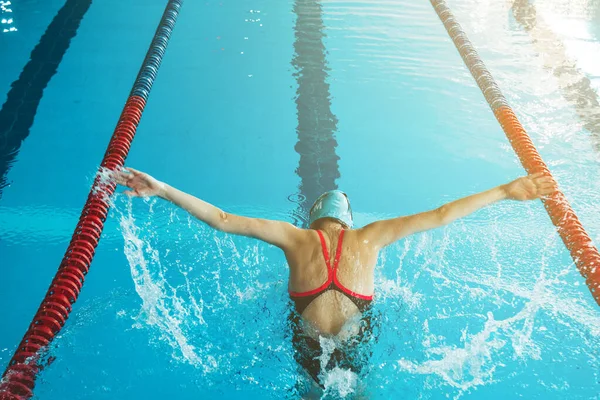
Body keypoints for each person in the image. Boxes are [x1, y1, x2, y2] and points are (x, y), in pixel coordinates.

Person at [115, 168, 556, 395]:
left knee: (309, 392)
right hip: (355, 334)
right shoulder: (372, 236)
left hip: (307, 338)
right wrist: (505, 190)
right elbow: (440, 215)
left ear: (314, 218)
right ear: (348, 220)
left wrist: (162, 189)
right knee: (360, 390)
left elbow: (225, 220)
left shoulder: (294, 237)